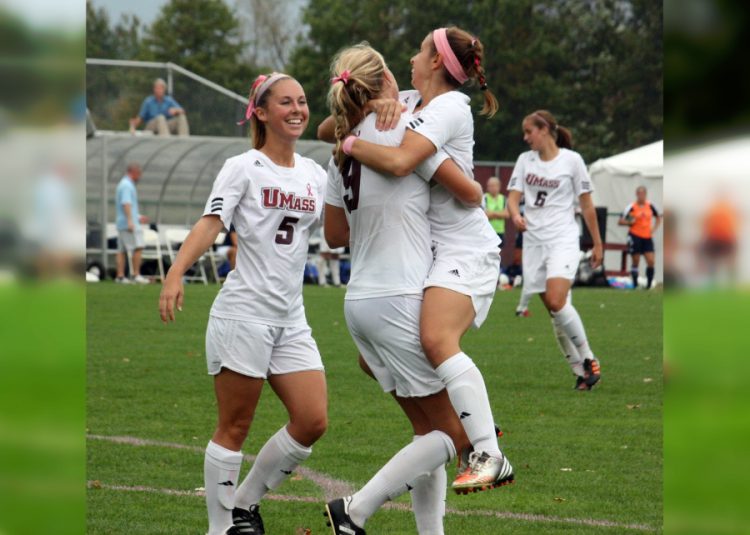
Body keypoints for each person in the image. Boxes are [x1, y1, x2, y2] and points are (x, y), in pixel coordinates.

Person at [333, 27, 514, 495]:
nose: (412, 58)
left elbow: (399, 162)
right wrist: (370, 108)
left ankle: (489, 453)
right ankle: (477, 449)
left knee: (435, 338)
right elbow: (332, 122)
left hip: (465, 249)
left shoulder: (450, 107)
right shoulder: (416, 101)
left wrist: (350, 144)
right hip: (437, 254)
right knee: (377, 361)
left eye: (420, 51)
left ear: (436, 63)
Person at [159, 72, 328, 535]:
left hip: (291, 318)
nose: (297, 110)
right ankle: (221, 528)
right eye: (285, 103)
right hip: (244, 313)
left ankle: (244, 505)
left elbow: (339, 232)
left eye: (302, 101)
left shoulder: (316, 172)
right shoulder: (243, 166)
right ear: (261, 112)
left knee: (312, 420)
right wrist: (175, 273)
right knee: (235, 426)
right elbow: (212, 222)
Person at [507, 110, 603, 391]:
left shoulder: (572, 161)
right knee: (554, 310)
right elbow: (513, 198)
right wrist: (515, 215)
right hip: (534, 243)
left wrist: (597, 243)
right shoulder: (525, 161)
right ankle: (580, 371)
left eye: (529, 132)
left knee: (557, 300)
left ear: (545, 130)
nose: (526, 138)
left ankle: (588, 359)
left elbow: (586, 205)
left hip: (562, 239)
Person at [619, 186, 661, 289]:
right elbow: (621, 221)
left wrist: (654, 229)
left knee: (651, 261)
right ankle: (635, 284)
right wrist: (629, 222)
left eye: (643, 194)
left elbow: (658, 217)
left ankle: (649, 284)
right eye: (639, 194)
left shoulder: (650, 206)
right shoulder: (632, 207)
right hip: (635, 235)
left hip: (647, 237)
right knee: (636, 260)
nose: (641, 196)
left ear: (645, 195)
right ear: (637, 194)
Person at [115, 163, 150, 284]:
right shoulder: (127, 185)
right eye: (138, 174)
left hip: (122, 222)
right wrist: (131, 221)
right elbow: (126, 203)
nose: (139, 177)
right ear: (133, 172)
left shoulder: (123, 184)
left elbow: (128, 205)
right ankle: (136, 274)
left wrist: (138, 217)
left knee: (121, 249)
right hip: (128, 223)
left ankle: (120, 276)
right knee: (139, 246)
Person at [483, 176, 508, 244]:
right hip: (487, 231)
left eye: (494, 185)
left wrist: (492, 213)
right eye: (490, 186)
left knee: (499, 252)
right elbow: (484, 214)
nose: (492, 188)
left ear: (499, 186)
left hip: (500, 231)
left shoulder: (503, 198)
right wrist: (500, 214)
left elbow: (506, 214)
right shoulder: (484, 198)